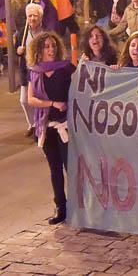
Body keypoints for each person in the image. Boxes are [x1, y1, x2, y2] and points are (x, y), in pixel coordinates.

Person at [26, 32, 75, 225]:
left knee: (70, 167)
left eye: (53, 45)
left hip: (66, 126)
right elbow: (31, 100)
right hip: (47, 128)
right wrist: (53, 104)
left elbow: (83, 85)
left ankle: (78, 206)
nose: (51, 49)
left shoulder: (66, 68)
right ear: (39, 50)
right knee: (54, 169)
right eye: (46, 46)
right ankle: (60, 207)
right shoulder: (35, 71)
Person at [17, 3, 45, 137]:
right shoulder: (22, 33)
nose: (32, 18)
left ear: (40, 17)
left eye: (35, 16)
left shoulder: (46, 33)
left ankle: (40, 124)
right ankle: (32, 123)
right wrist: (18, 51)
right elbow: (15, 50)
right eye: (29, 16)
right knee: (24, 100)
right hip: (26, 71)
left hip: (41, 71)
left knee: (38, 99)